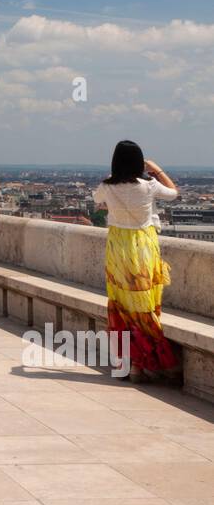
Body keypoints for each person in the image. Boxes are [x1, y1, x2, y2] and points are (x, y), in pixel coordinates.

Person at [93, 140, 180, 384]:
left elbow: (97, 199)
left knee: (122, 306)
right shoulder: (149, 186)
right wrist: (157, 169)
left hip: (117, 251)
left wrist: (113, 176)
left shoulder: (107, 186)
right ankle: (159, 364)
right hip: (143, 248)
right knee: (144, 307)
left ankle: (131, 366)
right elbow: (174, 193)